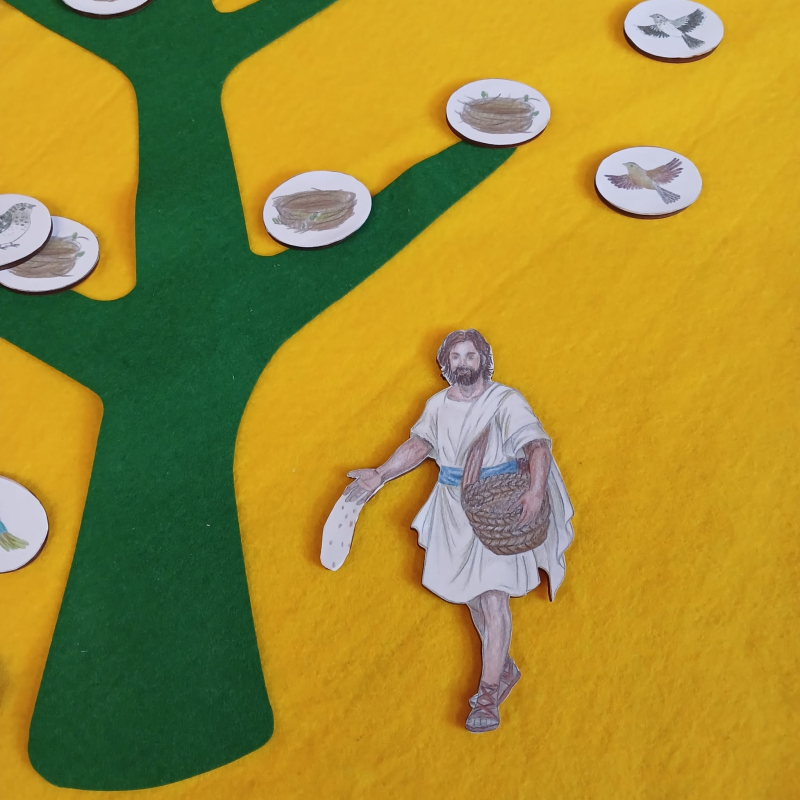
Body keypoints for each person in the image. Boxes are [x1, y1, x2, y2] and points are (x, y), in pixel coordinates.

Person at [345, 329, 574, 733]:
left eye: (470, 355)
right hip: (453, 509)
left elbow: (537, 446)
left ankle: (487, 695)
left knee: (493, 599)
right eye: (456, 357)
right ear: (446, 364)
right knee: (472, 598)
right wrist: (379, 474)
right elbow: (419, 446)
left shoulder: (505, 400)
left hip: (499, 508)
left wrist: (537, 491)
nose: (463, 363)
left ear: (483, 359)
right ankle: (503, 668)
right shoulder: (437, 405)